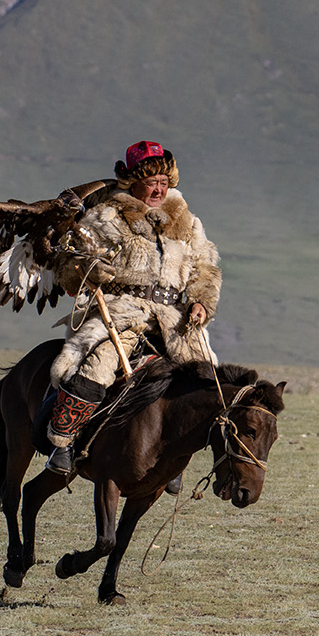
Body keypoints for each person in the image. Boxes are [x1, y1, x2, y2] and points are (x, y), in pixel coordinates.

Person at [42, 141, 222, 473]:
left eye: (164, 182)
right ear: (132, 182)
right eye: (151, 182)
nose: (158, 189)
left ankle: (178, 459)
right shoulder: (105, 216)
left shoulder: (188, 222)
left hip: (173, 318)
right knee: (98, 366)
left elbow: (204, 267)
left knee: (207, 382)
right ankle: (62, 444)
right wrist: (89, 270)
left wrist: (200, 301)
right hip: (120, 312)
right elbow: (68, 265)